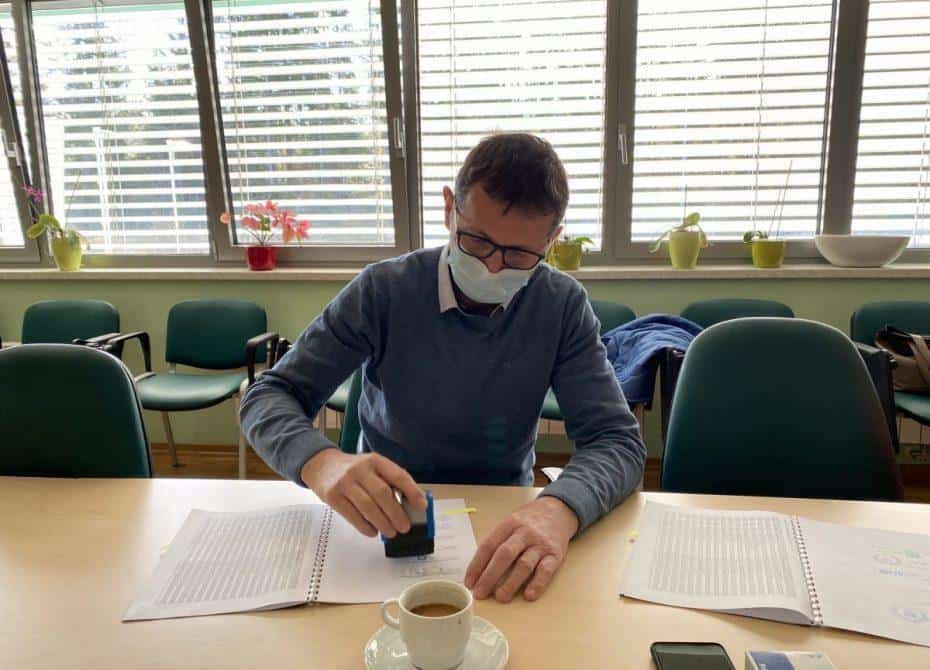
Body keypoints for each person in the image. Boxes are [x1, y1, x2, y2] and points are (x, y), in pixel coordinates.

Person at [240, 132, 646, 603]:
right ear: (449, 209)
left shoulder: (561, 305)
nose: (492, 268)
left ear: (551, 241)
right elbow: (268, 395)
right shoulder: (383, 290)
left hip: (504, 512)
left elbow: (617, 441)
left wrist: (558, 509)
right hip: (387, 515)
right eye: (476, 241)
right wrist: (322, 462)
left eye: (519, 256)